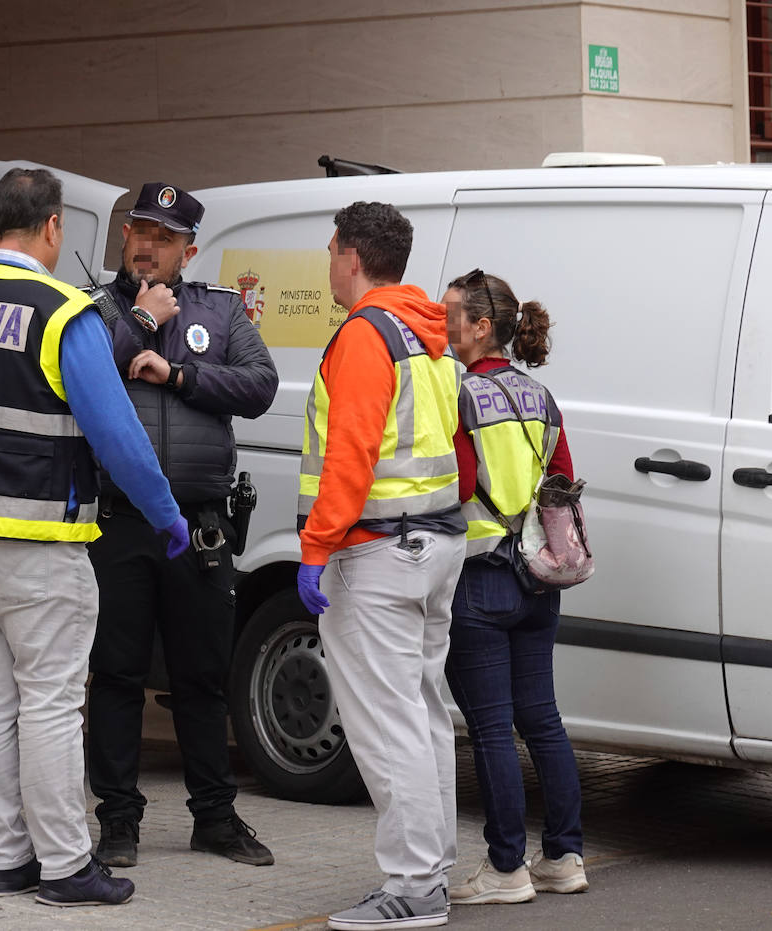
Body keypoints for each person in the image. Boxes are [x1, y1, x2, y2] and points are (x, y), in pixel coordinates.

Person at [0, 167, 187, 907]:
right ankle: (65, 864)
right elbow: (119, 437)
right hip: (32, 533)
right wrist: (166, 514)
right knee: (53, 699)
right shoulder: (63, 311)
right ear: (53, 227)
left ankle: (6, 858)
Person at [85, 182, 278, 869]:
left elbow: (260, 385)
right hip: (119, 522)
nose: (146, 245)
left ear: (188, 250)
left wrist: (180, 375)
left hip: (199, 525)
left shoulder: (220, 310)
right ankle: (117, 821)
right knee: (115, 674)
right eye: (139, 231)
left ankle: (216, 819)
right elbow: (73, 381)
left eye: (163, 237)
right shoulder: (95, 310)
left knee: (202, 676)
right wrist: (136, 320)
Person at [296, 201, 467, 931]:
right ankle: (433, 871)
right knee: (423, 714)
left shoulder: (365, 335)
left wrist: (315, 546)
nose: (328, 263)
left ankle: (414, 886)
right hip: (433, 544)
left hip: (376, 550)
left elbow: (351, 452)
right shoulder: (426, 333)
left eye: (331, 250)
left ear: (352, 256)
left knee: (387, 722)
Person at [440, 270, 587, 905]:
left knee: (493, 730)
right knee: (544, 721)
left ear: (480, 326)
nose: (440, 323)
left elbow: (460, 482)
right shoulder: (541, 396)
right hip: (538, 576)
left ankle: (506, 869)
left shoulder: (461, 396)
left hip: (481, 577)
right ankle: (565, 856)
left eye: (450, 314)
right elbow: (563, 480)